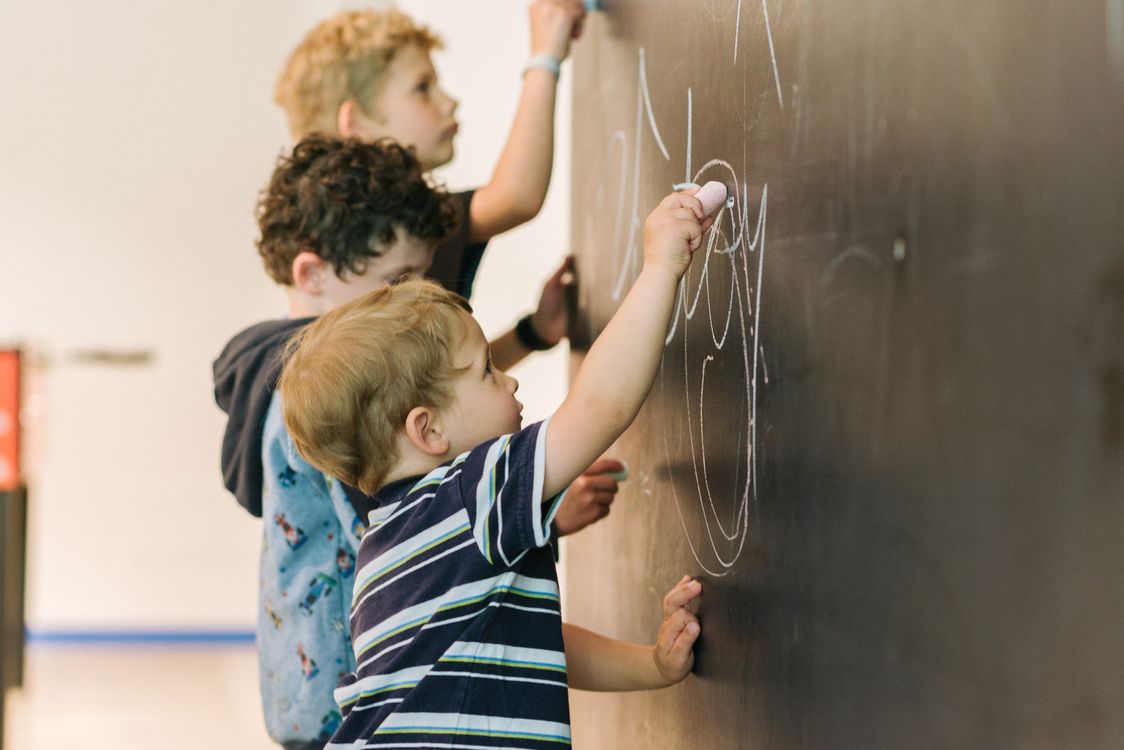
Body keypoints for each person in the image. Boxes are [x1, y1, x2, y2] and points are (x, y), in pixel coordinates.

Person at [213, 137, 620, 750]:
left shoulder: (306, 377)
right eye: (396, 279)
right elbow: (415, 522)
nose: (409, 295)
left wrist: (531, 333)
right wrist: (541, 509)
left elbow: (423, 395)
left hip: (317, 689)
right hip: (365, 699)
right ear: (313, 274)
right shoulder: (319, 396)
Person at [276, 188, 713, 747]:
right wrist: (660, 268)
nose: (508, 380)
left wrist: (651, 665)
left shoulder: (386, 549)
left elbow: (530, 643)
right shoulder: (467, 495)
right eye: (485, 371)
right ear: (428, 430)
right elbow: (602, 406)